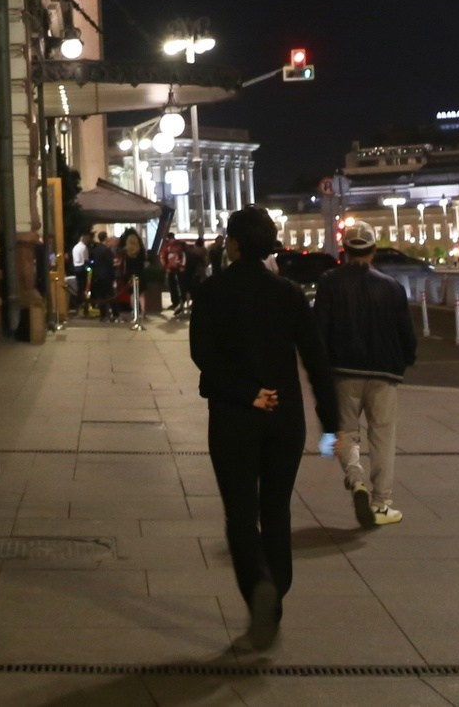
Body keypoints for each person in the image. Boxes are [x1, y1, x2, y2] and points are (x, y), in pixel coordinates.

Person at [189, 206, 333, 651]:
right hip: (284, 419)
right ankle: (277, 590)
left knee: (239, 514)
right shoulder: (289, 294)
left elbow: (202, 354)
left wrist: (244, 391)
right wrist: (332, 423)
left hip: (234, 418)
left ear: (232, 244)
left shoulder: (212, 292)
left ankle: (258, 589)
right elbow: (315, 358)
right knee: (276, 511)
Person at [314, 221, 417, 529]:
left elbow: (320, 327)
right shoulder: (392, 287)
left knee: (345, 432)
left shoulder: (330, 281)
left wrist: (320, 365)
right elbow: (406, 335)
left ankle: (355, 478)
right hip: (385, 372)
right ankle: (382, 503)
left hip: (344, 370)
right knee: (383, 436)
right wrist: (404, 362)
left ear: (344, 252)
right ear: (373, 252)